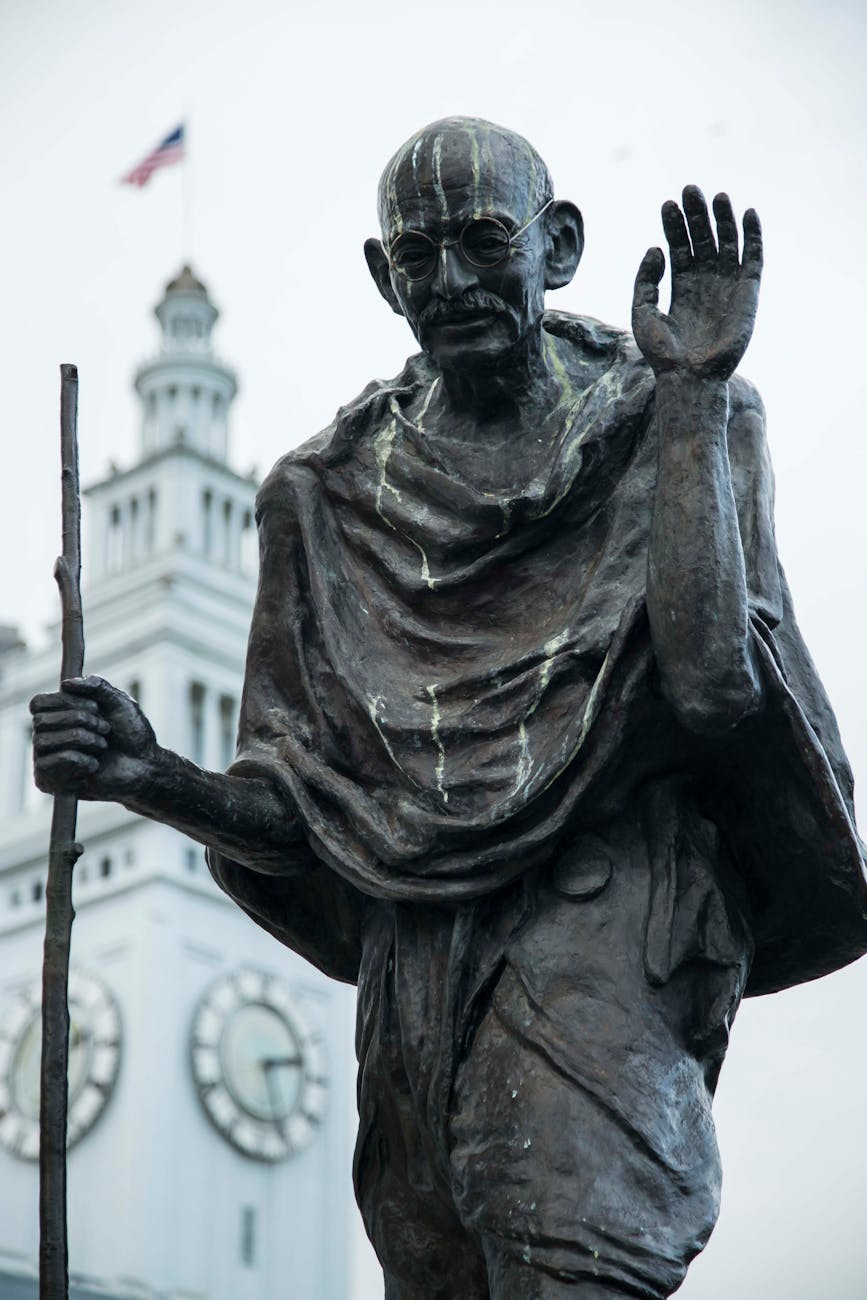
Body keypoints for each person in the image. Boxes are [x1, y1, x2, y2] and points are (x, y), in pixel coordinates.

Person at [32, 118, 867, 1299]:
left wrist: (688, 402)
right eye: (416, 256)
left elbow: (715, 685)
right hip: (412, 963)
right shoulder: (319, 498)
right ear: (384, 278)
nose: (454, 282)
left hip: (605, 913)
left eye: (484, 241)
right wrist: (148, 774)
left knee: (568, 1252)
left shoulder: (680, 413)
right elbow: (302, 811)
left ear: (560, 244)